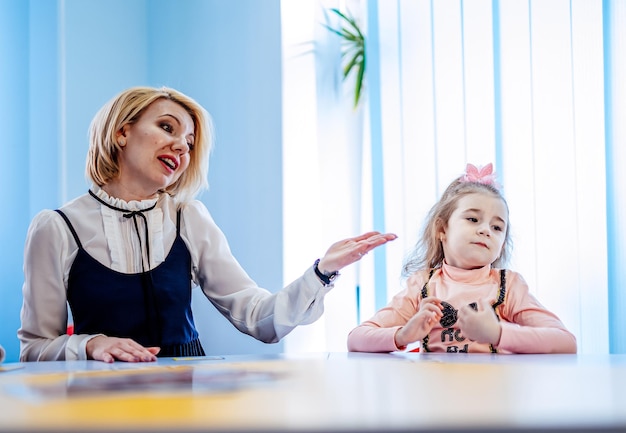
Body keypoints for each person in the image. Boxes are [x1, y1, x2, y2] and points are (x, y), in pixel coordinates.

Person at [18, 86, 397, 363]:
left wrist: (322, 272)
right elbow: (34, 347)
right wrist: (90, 344)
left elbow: (259, 320)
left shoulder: (189, 217)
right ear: (122, 132)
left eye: (189, 141)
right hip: (97, 406)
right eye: (168, 128)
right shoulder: (56, 227)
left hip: (188, 397)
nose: (182, 147)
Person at [347, 163, 577, 354]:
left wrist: (498, 334)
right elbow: (356, 339)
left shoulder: (509, 287)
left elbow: (565, 343)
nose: (486, 230)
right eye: (473, 219)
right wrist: (403, 334)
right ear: (442, 229)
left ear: (502, 243)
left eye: (497, 227)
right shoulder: (421, 285)